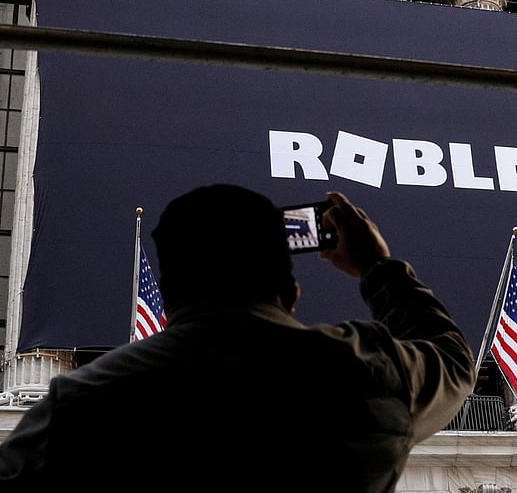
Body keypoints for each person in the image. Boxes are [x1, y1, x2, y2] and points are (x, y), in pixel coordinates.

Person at [0, 184, 476, 490]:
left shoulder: (77, 405)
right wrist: (377, 266)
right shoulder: (363, 372)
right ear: (291, 289)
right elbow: (453, 362)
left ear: (169, 293)